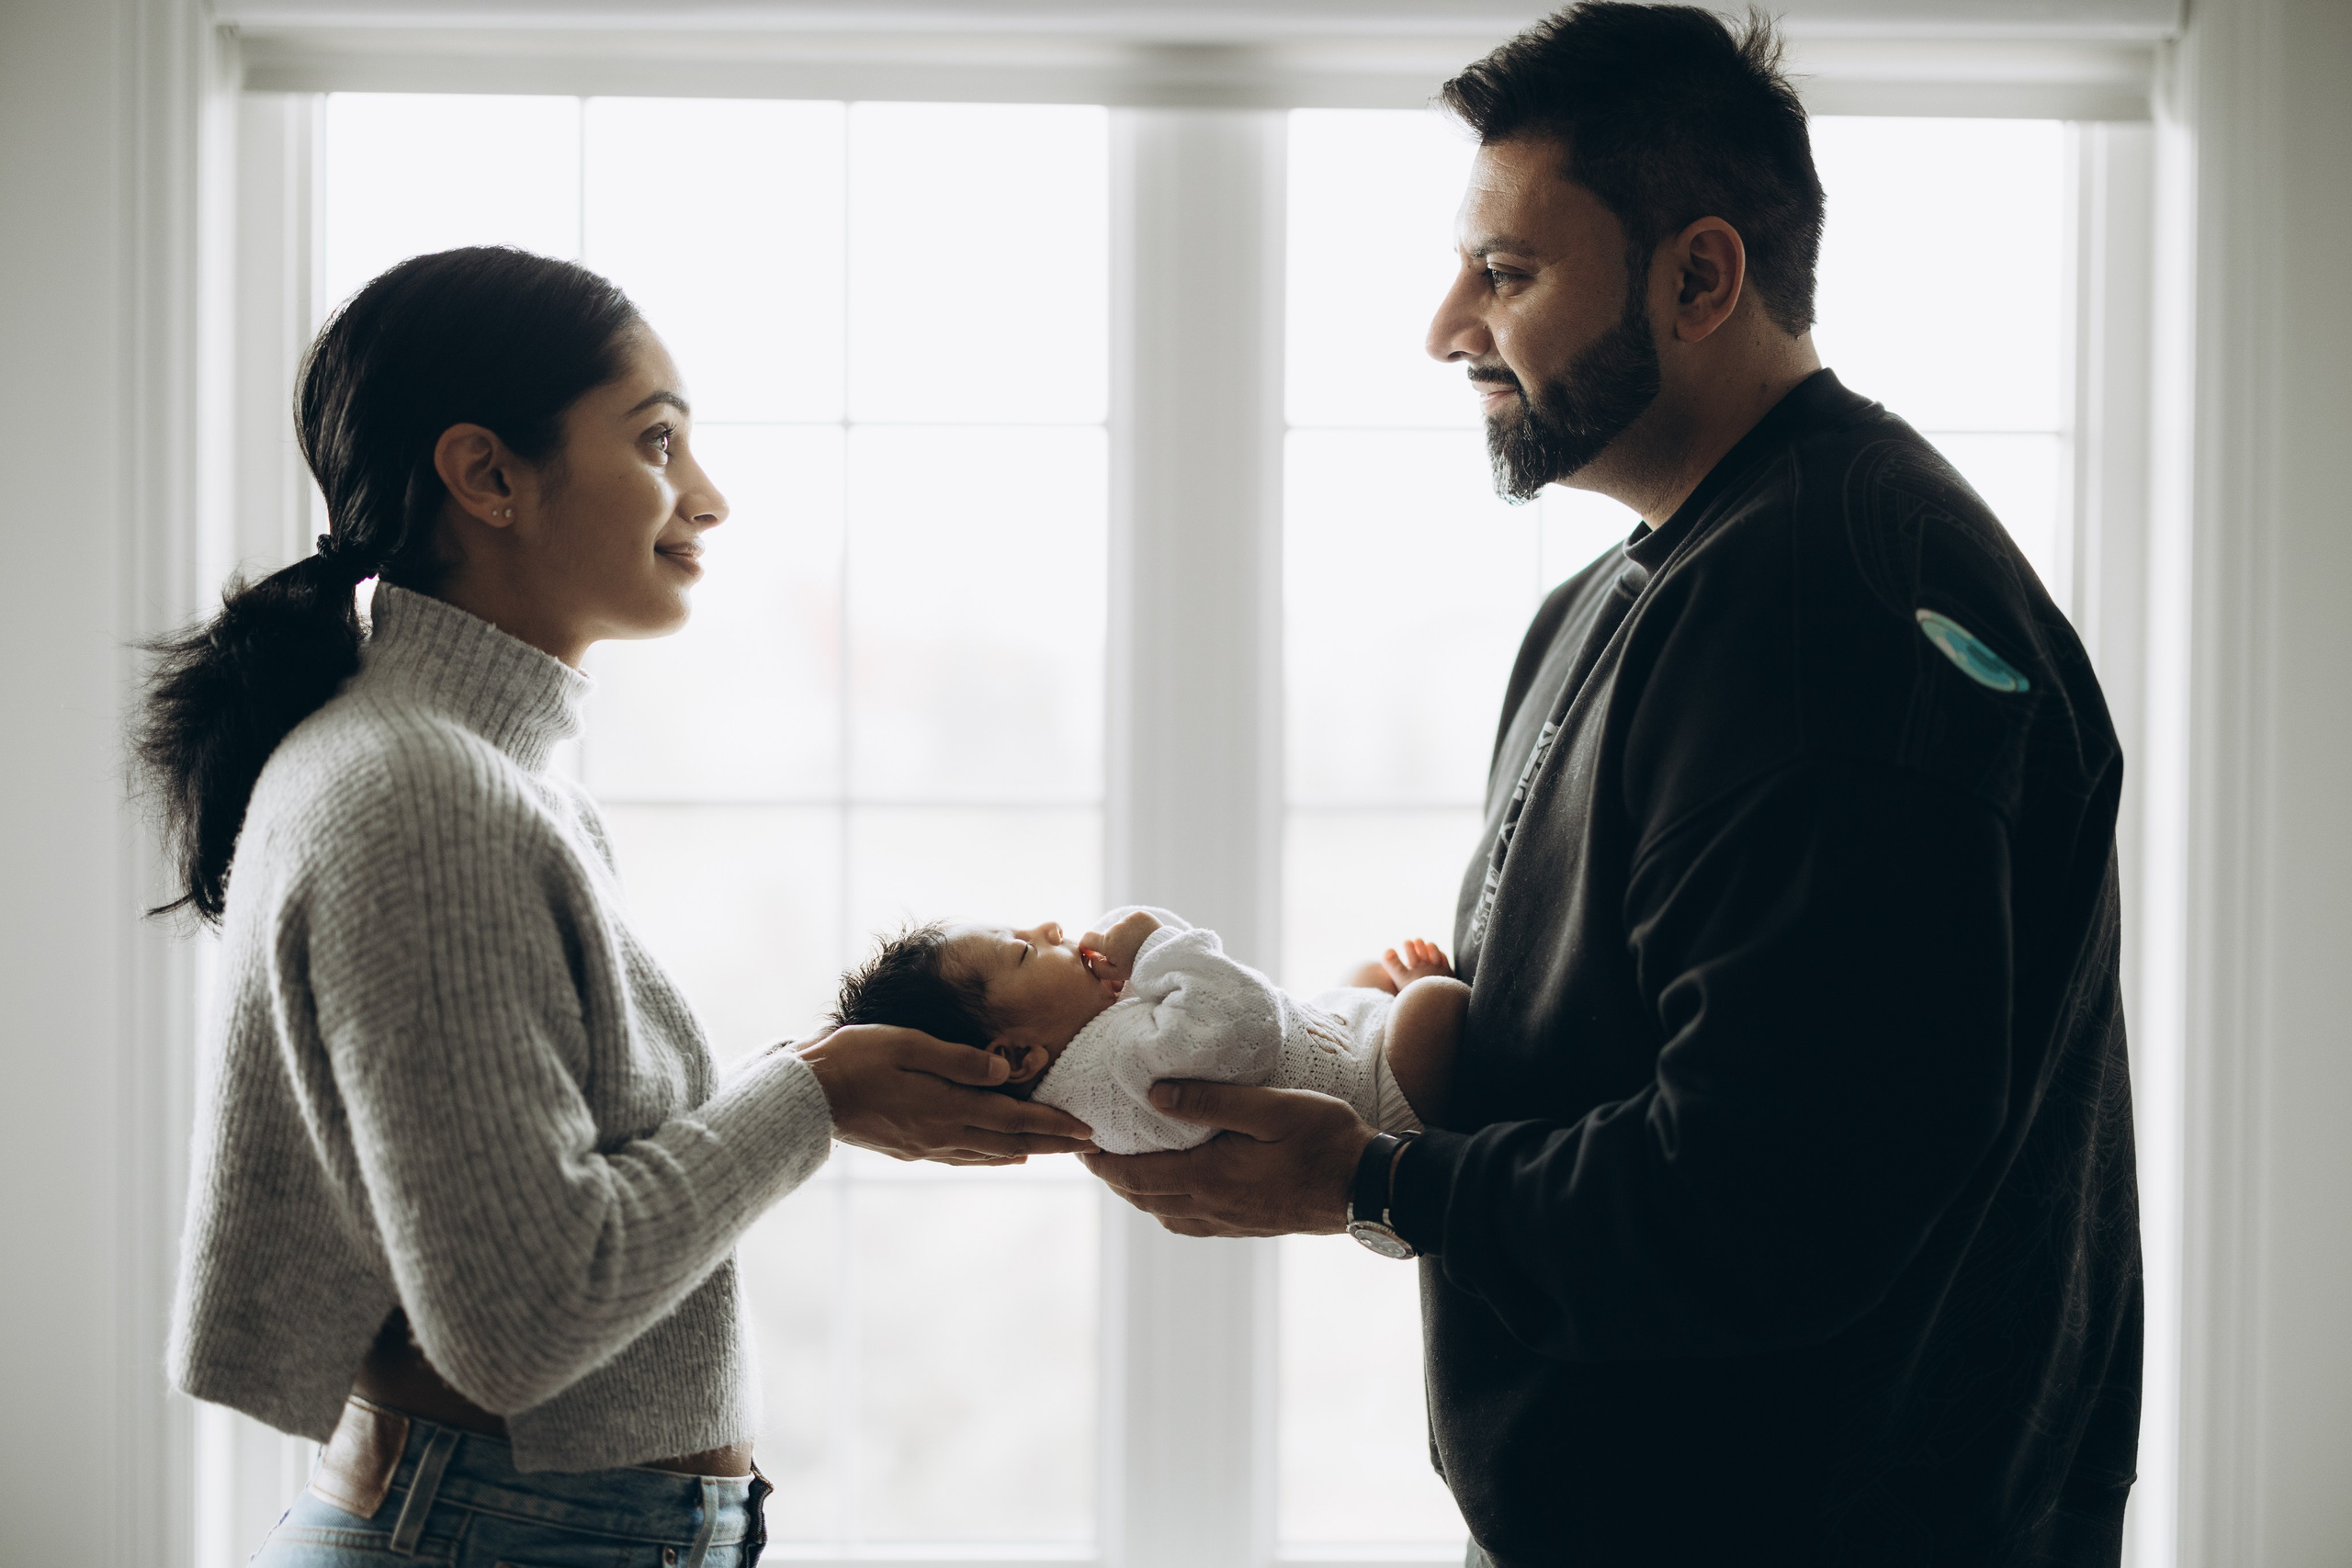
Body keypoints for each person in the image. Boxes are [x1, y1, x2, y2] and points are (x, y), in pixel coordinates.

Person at [1082, 6, 2142, 1564]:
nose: (1448, 327)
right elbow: (1669, 1050)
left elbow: (1778, 1189)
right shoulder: (1620, 599)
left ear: (1700, 276)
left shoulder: (1835, 608)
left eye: (1506, 273)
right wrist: (1451, 1023)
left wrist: (1374, 1178)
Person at [138, 245, 1091, 1566]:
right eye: (657, 441)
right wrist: (818, 1091)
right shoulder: (424, 789)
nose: (706, 496)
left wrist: (832, 1086)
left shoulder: (456, 767)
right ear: (486, 475)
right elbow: (525, 1315)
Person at [831, 908, 1464, 1153]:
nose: (1051, 928)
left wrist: (1131, 958)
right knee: (1431, 1009)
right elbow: (1246, 1022)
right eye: (1023, 951)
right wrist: (1153, 943)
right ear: (1018, 1053)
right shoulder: (1119, 1070)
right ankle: (1421, 1010)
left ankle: (1389, 1002)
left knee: (1360, 973)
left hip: (1340, 1045)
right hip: (1380, 1100)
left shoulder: (1090, 1048)